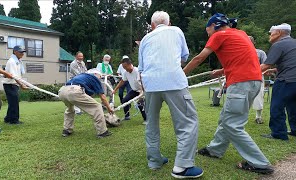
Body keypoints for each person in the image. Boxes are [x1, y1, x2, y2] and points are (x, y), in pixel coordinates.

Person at [183, 13, 273, 174]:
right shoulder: (241, 34)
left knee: (233, 124)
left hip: (240, 83)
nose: (208, 33)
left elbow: (199, 58)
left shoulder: (219, 35)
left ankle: (260, 163)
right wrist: (222, 71)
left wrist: (181, 75)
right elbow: (243, 59)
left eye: (208, 30)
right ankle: (215, 150)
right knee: (226, 118)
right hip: (254, 81)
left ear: (214, 26)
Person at [138, 11, 203, 178]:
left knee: (151, 123)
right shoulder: (176, 30)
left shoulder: (145, 38)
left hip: (150, 84)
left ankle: (154, 161)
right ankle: (183, 166)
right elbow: (184, 56)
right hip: (173, 81)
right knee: (187, 122)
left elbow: (142, 67)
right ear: (169, 22)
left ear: (152, 25)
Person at [260, 23, 296, 140]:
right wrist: (275, 69)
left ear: (279, 33)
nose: (270, 35)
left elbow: (265, 65)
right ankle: (295, 130)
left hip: (286, 80)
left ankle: (279, 134)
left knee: (277, 106)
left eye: (271, 33)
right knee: (293, 106)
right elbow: (291, 62)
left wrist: (245, 72)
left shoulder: (278, 45)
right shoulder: (294, 43)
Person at [58, 68, 113, 138]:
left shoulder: (82, 76)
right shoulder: (93, 77)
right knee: (97, 107)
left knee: (70, 109)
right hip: (74, 91)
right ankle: (102, 132)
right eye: (100, 76)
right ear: (95, 74)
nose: (100, 78)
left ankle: (67, 130)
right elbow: (102, 96)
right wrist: (109, 108)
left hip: (62, 91)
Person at [112, 56, 146, 123]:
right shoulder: (126, 73)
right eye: (123, 67)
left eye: (125, 67)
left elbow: (142, 83)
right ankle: (127, 116)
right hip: (134, 90)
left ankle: (146, 119)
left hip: (142, 90)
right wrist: (115, 89)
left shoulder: (137, 71)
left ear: (130, 64)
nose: (125, 69)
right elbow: (122, 81)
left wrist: (141, 95)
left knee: (140, 103)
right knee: (124, 100)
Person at [2, 45, 28, 124]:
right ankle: (14, 120)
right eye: (20, 52)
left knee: (12, 102)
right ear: (15, 52)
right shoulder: (12, 61)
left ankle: (8, 118)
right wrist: (21, 85)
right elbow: (14, 76)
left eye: (23, 52)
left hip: (13, 84)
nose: (22, 54)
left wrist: (21, 84)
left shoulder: (18, 61)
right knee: (14, 103)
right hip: (10, 84)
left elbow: (18, 75)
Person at [249, 36, 267, 124]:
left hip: (258, 76)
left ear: (254, 42)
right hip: (244, 77)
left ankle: (258, 117)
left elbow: (266, 64)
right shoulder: (241, 53)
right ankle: (241, 117)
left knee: (259, 96)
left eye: (250, 41)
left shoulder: (260, 52)